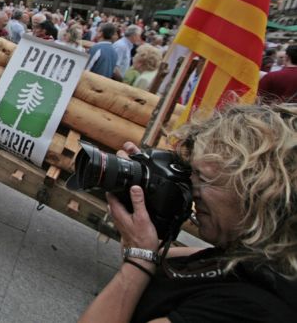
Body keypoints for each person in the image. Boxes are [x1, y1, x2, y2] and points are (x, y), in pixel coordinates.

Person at [79, 104, 297, 322]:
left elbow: (145, 259)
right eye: (191, 174)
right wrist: (153, 185)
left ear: (261, 194)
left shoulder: (252, 306)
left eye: (204, 178)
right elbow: (157, 255)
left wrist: (140, 259)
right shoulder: (241, 255)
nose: (193, 190)